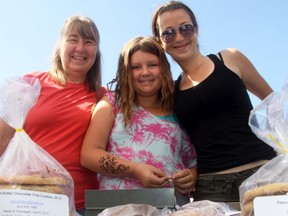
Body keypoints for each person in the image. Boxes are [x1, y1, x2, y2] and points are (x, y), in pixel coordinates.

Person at [151, 1, 277, 202]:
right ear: (160, 41)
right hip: (211, 188)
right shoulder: (171, 94)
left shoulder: (230, 59)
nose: (179, 37)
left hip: (262, 177)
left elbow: (274, 104)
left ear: (196, 29)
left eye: (185, 28)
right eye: (168, 33)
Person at [0, 15, 106, 215]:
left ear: (96, 52)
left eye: (89, 42)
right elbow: (2, 138)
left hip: (80, 205)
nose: (80, 48)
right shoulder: (30, 84)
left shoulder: (102, 96)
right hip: (24, 200)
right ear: (60, 45)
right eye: (73, 39)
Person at [80, 36, 197, 205]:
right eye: (136, 67)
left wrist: (192, 176)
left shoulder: (179, 109)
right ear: (126, 72)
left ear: (163, 68)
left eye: (152, 65)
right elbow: (89, 155)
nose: (145, 72)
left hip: (172, 207)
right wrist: (135, 170)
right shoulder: (112, 103)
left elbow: (194, 162)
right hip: (117, 207)